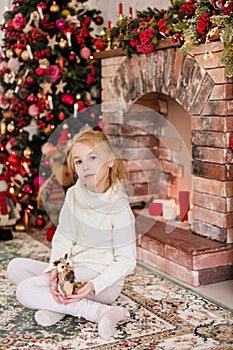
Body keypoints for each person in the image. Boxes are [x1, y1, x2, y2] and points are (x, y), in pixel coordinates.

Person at [7, 129, 137, 339]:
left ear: (110, 161)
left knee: (24, 291)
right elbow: (63, 238)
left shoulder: (118, 206)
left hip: (101, 282)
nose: (85, 165)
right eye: (78, 161)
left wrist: (94, 284)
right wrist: (55, 269)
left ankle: (98, 311)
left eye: (92, 157)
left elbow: (127, 261)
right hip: (73, 271)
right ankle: (60, 306)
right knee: (15, 268)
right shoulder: (74, 194)